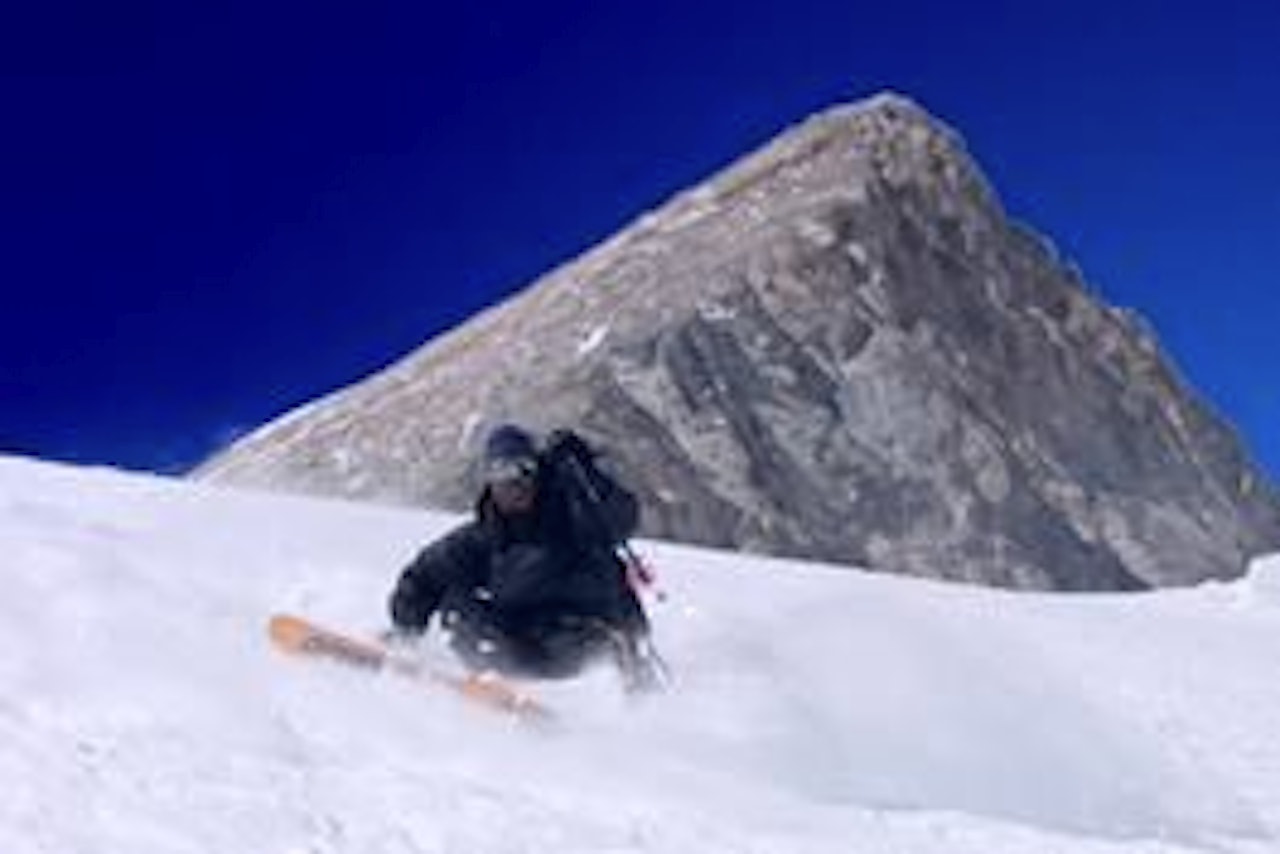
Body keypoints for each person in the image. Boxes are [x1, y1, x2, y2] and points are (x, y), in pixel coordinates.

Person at [387, 424, 660, 689]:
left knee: (590, 652)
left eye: (521, 470)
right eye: (499, 472)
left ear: (537, 473)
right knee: (458, 611)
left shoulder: (576, 520)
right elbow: (426, 574)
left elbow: (620, 518)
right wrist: (404, 630)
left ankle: (588, 695)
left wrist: (588, 476)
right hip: (521, 639)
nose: (512, 483)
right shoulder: (485, 538)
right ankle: (500, 687)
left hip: (582, 630)